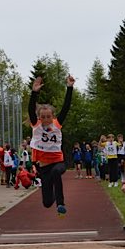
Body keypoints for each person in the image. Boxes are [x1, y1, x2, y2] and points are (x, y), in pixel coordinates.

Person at [28, 74, 74, 214]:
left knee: (56, 172)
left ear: (52, 116)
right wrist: (34, 92)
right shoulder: (36, 125)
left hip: (57, 162)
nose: (46, 119)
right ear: (39, 117)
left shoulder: (57, 124)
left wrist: (69, 88)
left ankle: (61, 204)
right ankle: (53, 196)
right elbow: (31, 109)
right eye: (43, 117)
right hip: (44, 167)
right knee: (47, 203)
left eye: (48, 117)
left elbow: (65, 107)